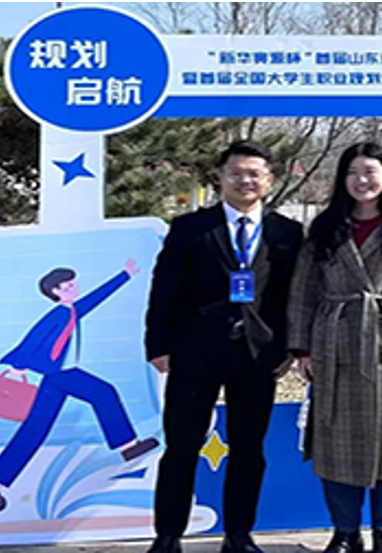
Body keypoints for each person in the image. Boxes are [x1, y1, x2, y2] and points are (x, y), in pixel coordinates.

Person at [145, 140, 303, 553]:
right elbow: (164, 291)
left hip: (259, 356)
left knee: (249, 448)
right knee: (181, 446)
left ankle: (238, 535)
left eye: (254, 174)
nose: (245, 181)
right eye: (236, 173)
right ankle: (168, 535)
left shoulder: (288, 232)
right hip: (194, 352)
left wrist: (291, 347)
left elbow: (295, 296)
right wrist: (158, 345)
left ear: (269, 180)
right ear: (221, 178)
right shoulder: (190, 228)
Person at [287, 142, 382, 553]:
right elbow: (303, 292)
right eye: (353, 172)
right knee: (335, 443)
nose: (362, 181)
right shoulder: (325, 226)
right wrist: (302, 348)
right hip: (335, 344)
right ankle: (345, 531)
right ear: (342, 179)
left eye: (370, 172)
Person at [0, 260, 159, 512]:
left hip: (56, 377)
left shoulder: (71, 311)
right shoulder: (58, 314)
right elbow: (34, 338)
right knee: (104, 393)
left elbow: (94, 299)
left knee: (35, 429)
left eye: (73, 284)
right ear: (56, 291)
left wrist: (124, 275)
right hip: (60, 374)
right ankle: (127, 445)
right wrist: (18, 365)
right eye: (67, 286)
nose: (74, 288)